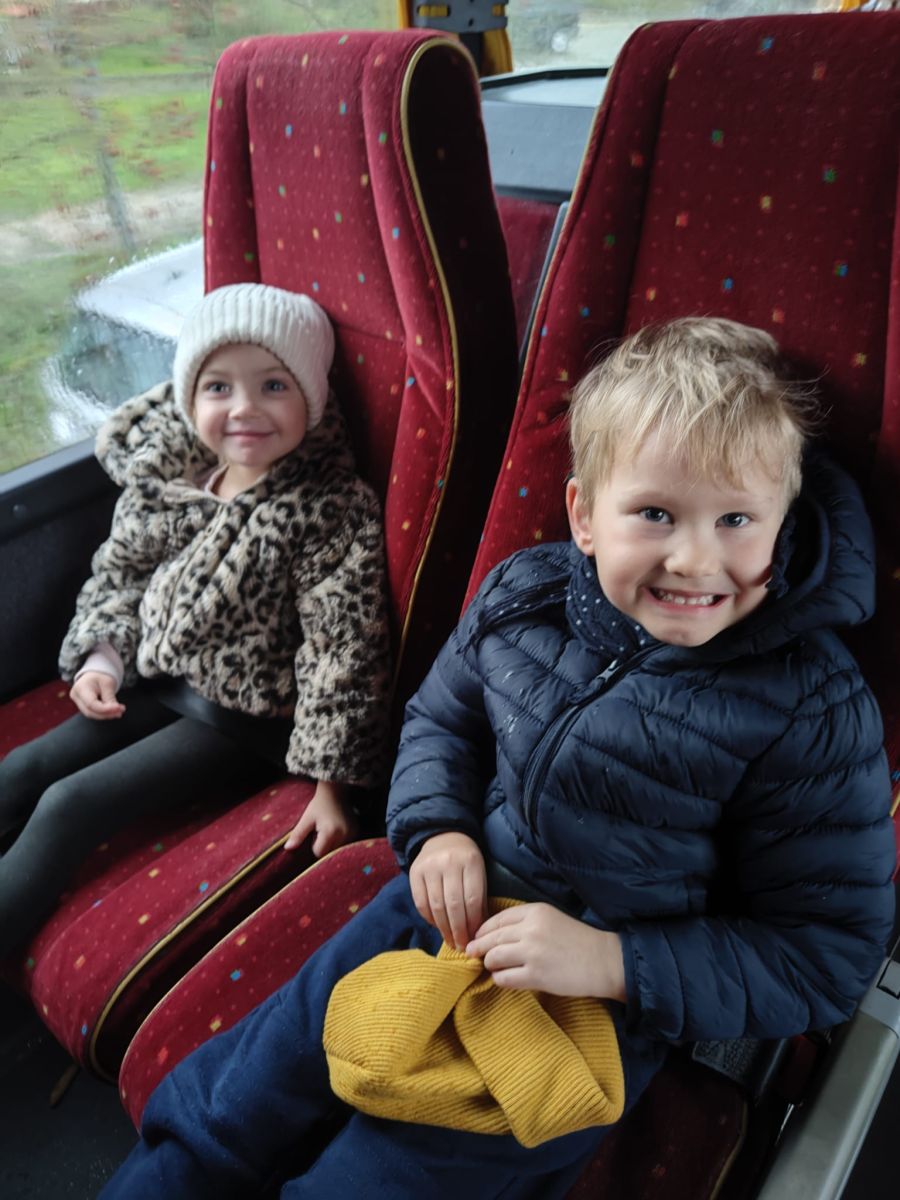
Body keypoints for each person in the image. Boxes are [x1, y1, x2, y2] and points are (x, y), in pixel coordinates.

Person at [101, 317, 895, 1200]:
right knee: (235, 1101)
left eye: (736, 519)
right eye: (655, 514)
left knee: (377, 1184)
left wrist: (612, 962)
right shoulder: (525, 597)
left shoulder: (811, 708)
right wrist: (437, 828)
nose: (694, 558)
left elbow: (826, 956)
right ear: (584, 516)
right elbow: (441, 723)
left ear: (782, 527)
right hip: (440, 905)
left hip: (592, 996)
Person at [0, 283, 391, 961]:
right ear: (189, 398)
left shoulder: (329, 508)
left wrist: (333, 787)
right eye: (218, 387)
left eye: (273, 385)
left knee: (69, 805)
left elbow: (344, 647)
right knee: (21, 767)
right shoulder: (177, 481)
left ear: (311, 398)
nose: (244, 408)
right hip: (160, 682)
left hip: (245, 722)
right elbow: (121, 574)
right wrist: (102, 660)